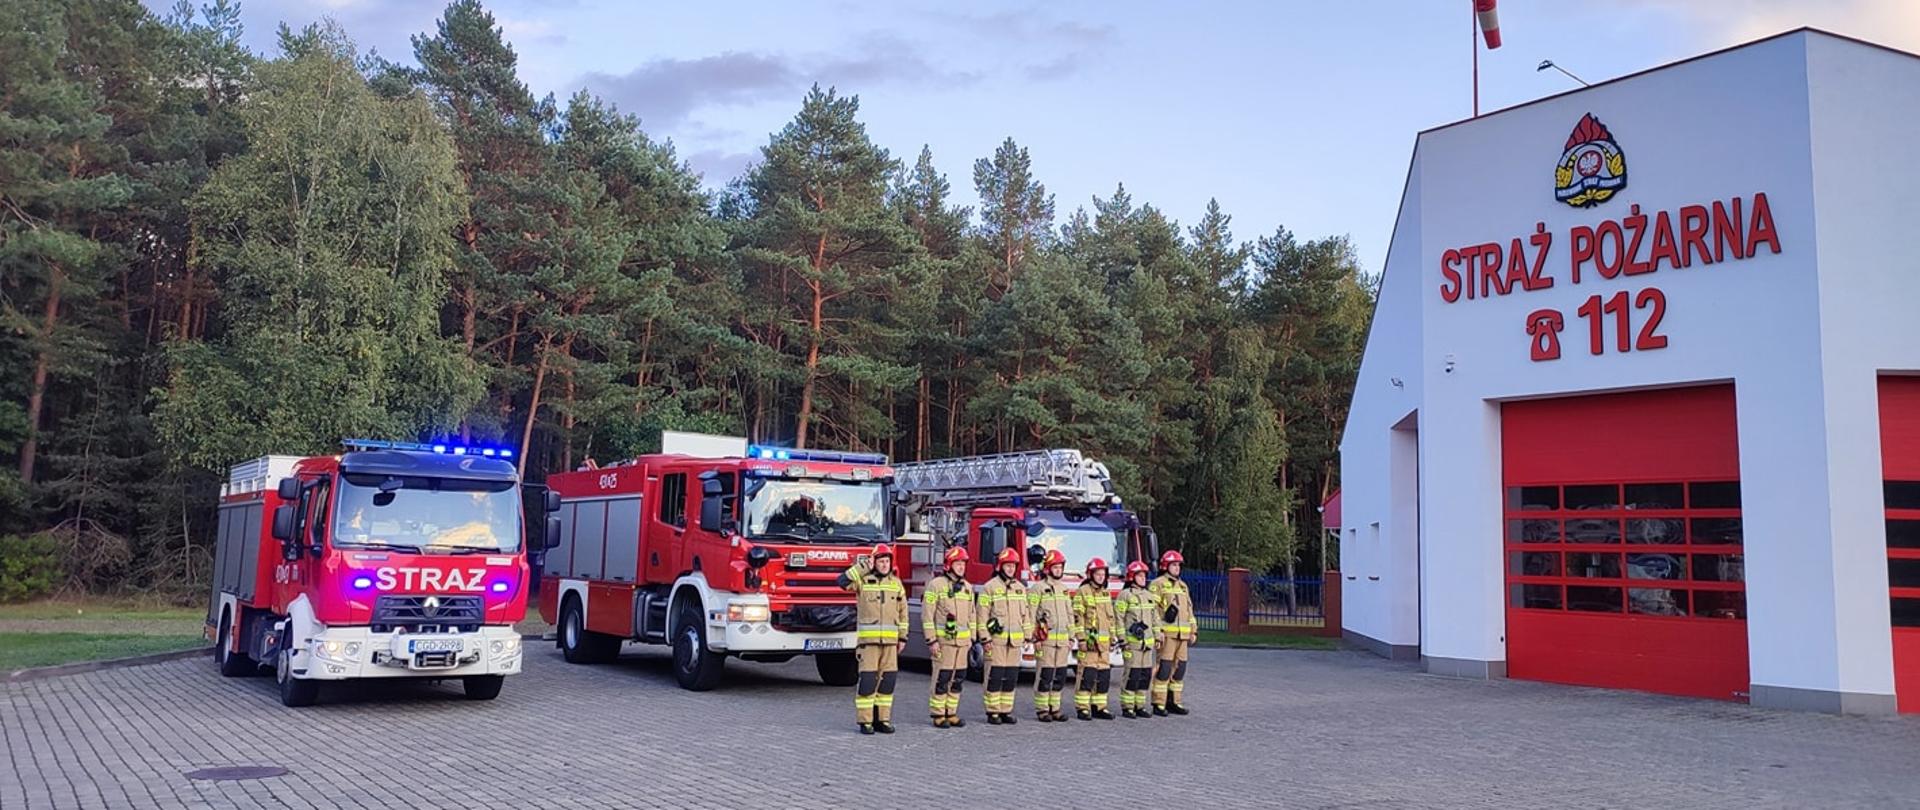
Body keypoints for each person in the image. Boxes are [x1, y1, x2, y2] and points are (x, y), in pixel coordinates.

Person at [837, 543, 907, 734]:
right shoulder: (863, 581)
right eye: (880, 561)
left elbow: (903, 613)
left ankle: (883, 720)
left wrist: (903, 638)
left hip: (891, 644)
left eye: (887, 561)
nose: (884, 565)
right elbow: (841, 581)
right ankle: (865, 721)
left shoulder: (896, 583)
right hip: (868, 644)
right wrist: (863, 566)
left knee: (887, 682)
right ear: (873, 562)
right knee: (867, 682)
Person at [975, 546, 1032, 725]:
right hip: (996, 641)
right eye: (1007, 566)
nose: (1010, 569)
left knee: (1010, 677)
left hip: (1014, 642)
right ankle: (993, 711)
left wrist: (1028, 636)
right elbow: (981, 614)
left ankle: (1006, 710)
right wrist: (985, 638)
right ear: (1000, 566)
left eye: (1013, 566)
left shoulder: (1020, 589)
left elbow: (1026, 615)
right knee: (995, 675)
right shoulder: (989, 588)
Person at [921, 545, 976, 729]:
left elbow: (972, 615)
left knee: (957, 678)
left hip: (962, 643)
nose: (961, 567)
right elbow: (927, 615)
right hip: (943, 643)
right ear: (948, 565)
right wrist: (932, 640)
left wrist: (972, 639)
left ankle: (951, 712)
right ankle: (938, 713)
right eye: (958, 563)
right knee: (942, 677)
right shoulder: (935, 585)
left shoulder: (967, 588)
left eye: (963, 564)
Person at [1027, 548, 1076, 723]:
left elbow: (1070, 615)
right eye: (1055, 567)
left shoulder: (1064, 590)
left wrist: (1071, 637)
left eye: (1060, 567)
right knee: (1045, 675)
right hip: (1045, 641)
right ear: (1047, 569)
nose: (1058, 570)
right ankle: (1042, 709)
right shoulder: (1037, 589)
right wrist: (1034, 638)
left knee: (1059, 676)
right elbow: (1031, 614)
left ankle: (1055, 708)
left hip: (1062, 642)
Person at [1149, 549, 1196, 716]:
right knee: (1164, 669)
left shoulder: (1183, 586)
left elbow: (1189, 610)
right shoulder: (1158, 584)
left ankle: (1174, 701)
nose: (1177, 568)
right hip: (1166, 636)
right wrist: (1158, 631)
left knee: (1179, 669)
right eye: (1174, 565)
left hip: (1183, 636)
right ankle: (1158, 703)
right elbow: (1152, 610)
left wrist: (1193, 631)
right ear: (1165, 566)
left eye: (1178, 565)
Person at [1072, 557, 1117, 721]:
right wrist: (1082, 639)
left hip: (1104, 645)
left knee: (1103, 676)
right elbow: (1077, 618)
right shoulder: (1082, 592)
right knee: (1087, 675)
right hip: (1089, 644)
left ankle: (1100, 707)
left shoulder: (1106, 593)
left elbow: (1110, 619)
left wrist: (1112, 638)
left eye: (1103, 574)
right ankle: (1083, 708)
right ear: (1090, 575)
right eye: (1097, 574)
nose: (1100, 577)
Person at [1114, 560, 1159, 719]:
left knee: (1144, 675)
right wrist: (1122, 639)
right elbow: (1118, 619)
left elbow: (1155, 618)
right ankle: (1128, 707)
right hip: (1131, 644)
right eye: (1140, 575)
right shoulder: (1125, 595)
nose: (1143, 578)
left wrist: (1158, 636)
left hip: (1147, 644)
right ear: (1132, 577)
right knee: (1131, 674)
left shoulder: (1149, 596)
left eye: (1144, 575)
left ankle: (1140, 705)